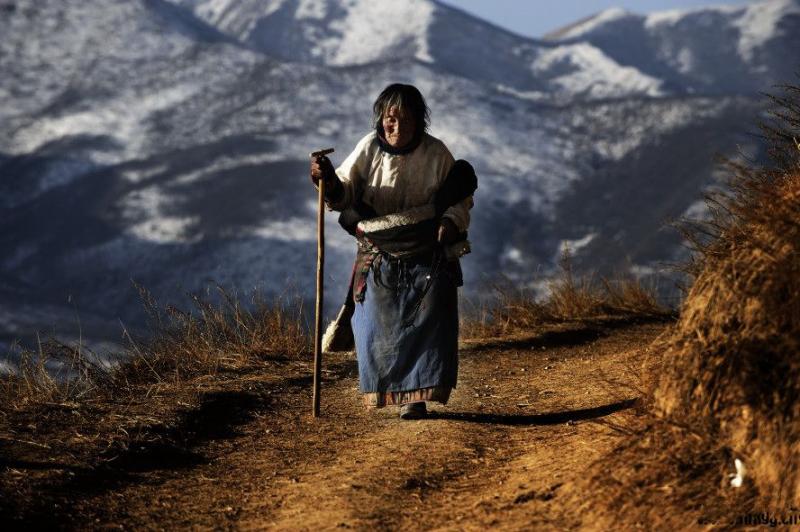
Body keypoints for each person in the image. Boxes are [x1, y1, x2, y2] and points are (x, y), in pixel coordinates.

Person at [310, 83, 475, 420]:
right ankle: (390, 388)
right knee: (376, 326)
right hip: (380, 254)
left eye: (405, 118)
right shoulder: (369, 149)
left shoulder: (436, 154)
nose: (395, 126)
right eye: (389, 118)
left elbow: (459, 198)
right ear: (381, 120)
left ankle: (416, 398)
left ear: (419, 121)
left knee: (427, 324)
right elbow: (343, 193)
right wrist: (325, 177)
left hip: (426, 253)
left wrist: (449, 223)